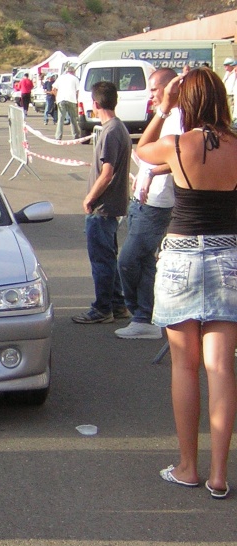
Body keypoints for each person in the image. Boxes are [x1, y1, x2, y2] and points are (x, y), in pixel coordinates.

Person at [136, 67, 237, 500]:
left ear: (188, 102)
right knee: (222, 367)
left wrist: (163, 108)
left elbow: (142, 152)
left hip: (180, 256)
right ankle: (218, 474)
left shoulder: (179, 145)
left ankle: (187, 466)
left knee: (184, 366)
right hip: (228, 255)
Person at [116, 68, 181, 340]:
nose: (150, 95)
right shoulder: (164, 117)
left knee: (128, 261)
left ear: (168, 89)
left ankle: (142, 314)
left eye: (154, 89)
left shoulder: (178, 118)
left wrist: (153, 172)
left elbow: (180, 156)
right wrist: (144, 175)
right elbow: (145, 151)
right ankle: (145, 317)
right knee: (143, 263)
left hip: (157, 205)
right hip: (143, 201)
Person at [72, 81, 131, 324]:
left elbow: (107, 172)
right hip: (111, 206)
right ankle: (117, 304)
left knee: (101, 260)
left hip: (103, 207)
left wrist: (90, 197)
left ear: (95, 104)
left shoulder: (110, 132)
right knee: (109, 256)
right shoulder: (118, 129)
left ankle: (102, 308)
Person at [53, 65, 81, 140]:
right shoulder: (75, 79)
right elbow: (78, 91)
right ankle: (76, 135)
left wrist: (57, 97)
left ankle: (58, 136)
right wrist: (77, 100)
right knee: (73, 119)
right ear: (73, 72)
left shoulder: (61, 78)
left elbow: (54, 89)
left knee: (61, 119)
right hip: (71, 99)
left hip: (61, 99)